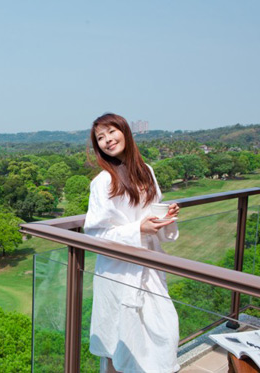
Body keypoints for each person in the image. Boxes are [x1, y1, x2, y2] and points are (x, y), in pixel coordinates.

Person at [84, 113, 181, 373]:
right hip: (119, 272)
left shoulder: (146, 172)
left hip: (149, 269)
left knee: (163, 334)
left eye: (111, 132)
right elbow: (95, 236)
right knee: (120, 341)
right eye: (100, 138)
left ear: (125, 131)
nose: (107, 140)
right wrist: (138, 229)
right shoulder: (103, 182)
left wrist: (166, 217)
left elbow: (151, 218)